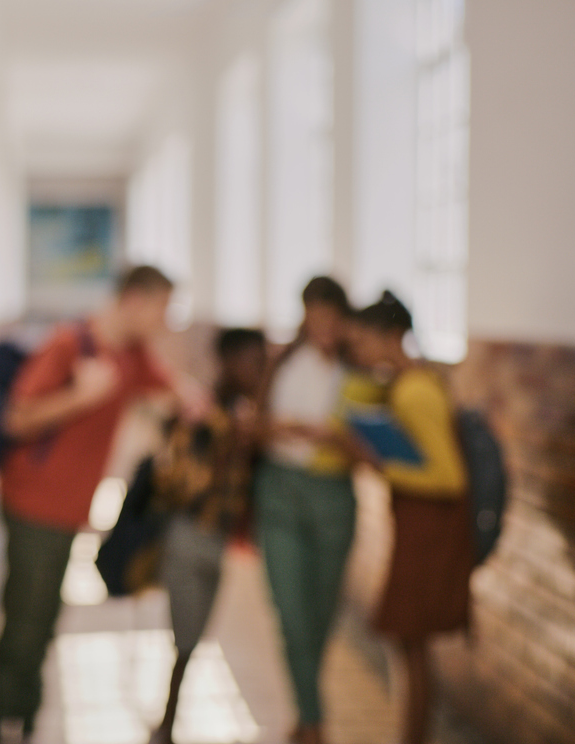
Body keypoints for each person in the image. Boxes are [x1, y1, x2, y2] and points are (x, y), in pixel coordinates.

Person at [0, 265, 186, 743]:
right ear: (134, 300)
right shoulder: (69, 345)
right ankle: (5, 716)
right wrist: (81, 395)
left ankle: (18, 711)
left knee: (43, 613)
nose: (165, 322)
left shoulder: (131, 354)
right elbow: (16, 418)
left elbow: (173, 389)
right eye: (162, 309)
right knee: (27, 616)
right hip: (34, 502)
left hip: (71, 508)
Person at [253, 276, 377, 744]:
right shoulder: (285, 360)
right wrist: (277, 427)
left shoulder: (360, 373)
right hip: (281, 489)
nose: (322, 327)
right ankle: (316, 721)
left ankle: (306, 712)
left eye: (331, 319)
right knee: (290, 612)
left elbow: (377, 448)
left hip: (333, 495)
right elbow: (257, 424)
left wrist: (338, 439)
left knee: (321, 614)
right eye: (314, 317)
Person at [344, 292, 471, 744]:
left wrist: (379, 463)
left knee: (411, 641)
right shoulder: (409, 383)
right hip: (417, 528)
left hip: (429, 533)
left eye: (362, 340)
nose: (356, 351)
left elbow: (449, 478)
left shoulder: (416, 390)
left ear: (391, 337)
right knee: (409, 644)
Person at [147, 328, 267, 744]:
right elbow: (183, 480)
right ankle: (166, 725)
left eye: (262, 362)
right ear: (228, 364)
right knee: (185, 637)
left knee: (194, 637)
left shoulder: (244, 411)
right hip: (189, 534)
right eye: (252, 362)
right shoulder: (206, 414)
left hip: (214, 539)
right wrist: (230, 436)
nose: (259, 371)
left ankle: (168, 721)